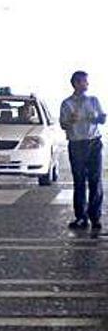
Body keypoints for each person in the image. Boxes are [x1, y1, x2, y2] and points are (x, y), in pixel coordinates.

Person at [60, 70, 106, 230]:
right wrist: (70, 120)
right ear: (76, 83)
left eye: (87, 81)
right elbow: (63, 124)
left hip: (93, 142)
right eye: (84, 82)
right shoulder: (67, 103)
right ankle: (81, 217)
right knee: (79, 181)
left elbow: (103, 118)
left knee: (95, 181)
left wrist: (96, 117)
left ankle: (95, 217)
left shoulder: (93, 100)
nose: (87, 84)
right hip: (77, 143)